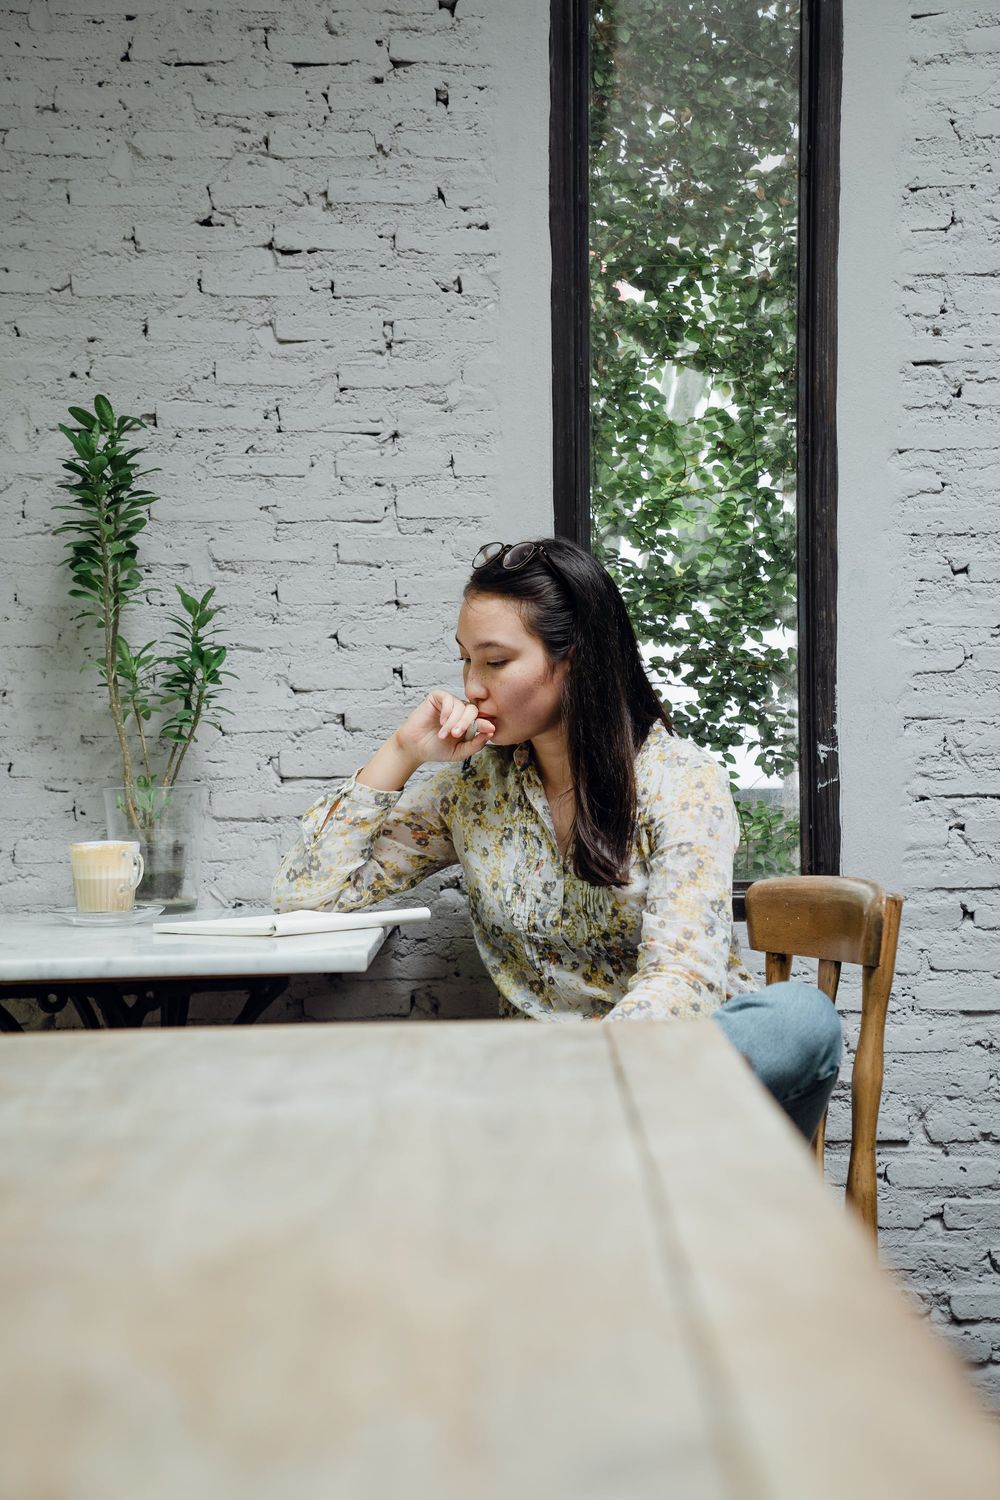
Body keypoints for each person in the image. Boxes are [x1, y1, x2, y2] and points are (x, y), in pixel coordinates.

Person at [273, 538, 842, 1143]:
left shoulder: (678, 780)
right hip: (539, 1092)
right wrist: (403, 753)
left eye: (495, 662)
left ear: (575, 659)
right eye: (466, 660)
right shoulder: (471, 789)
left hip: (664, 1078)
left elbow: (682, 980)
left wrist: (582, 1078)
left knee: (799, 1019)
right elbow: (306, 900)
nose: (472, 687)